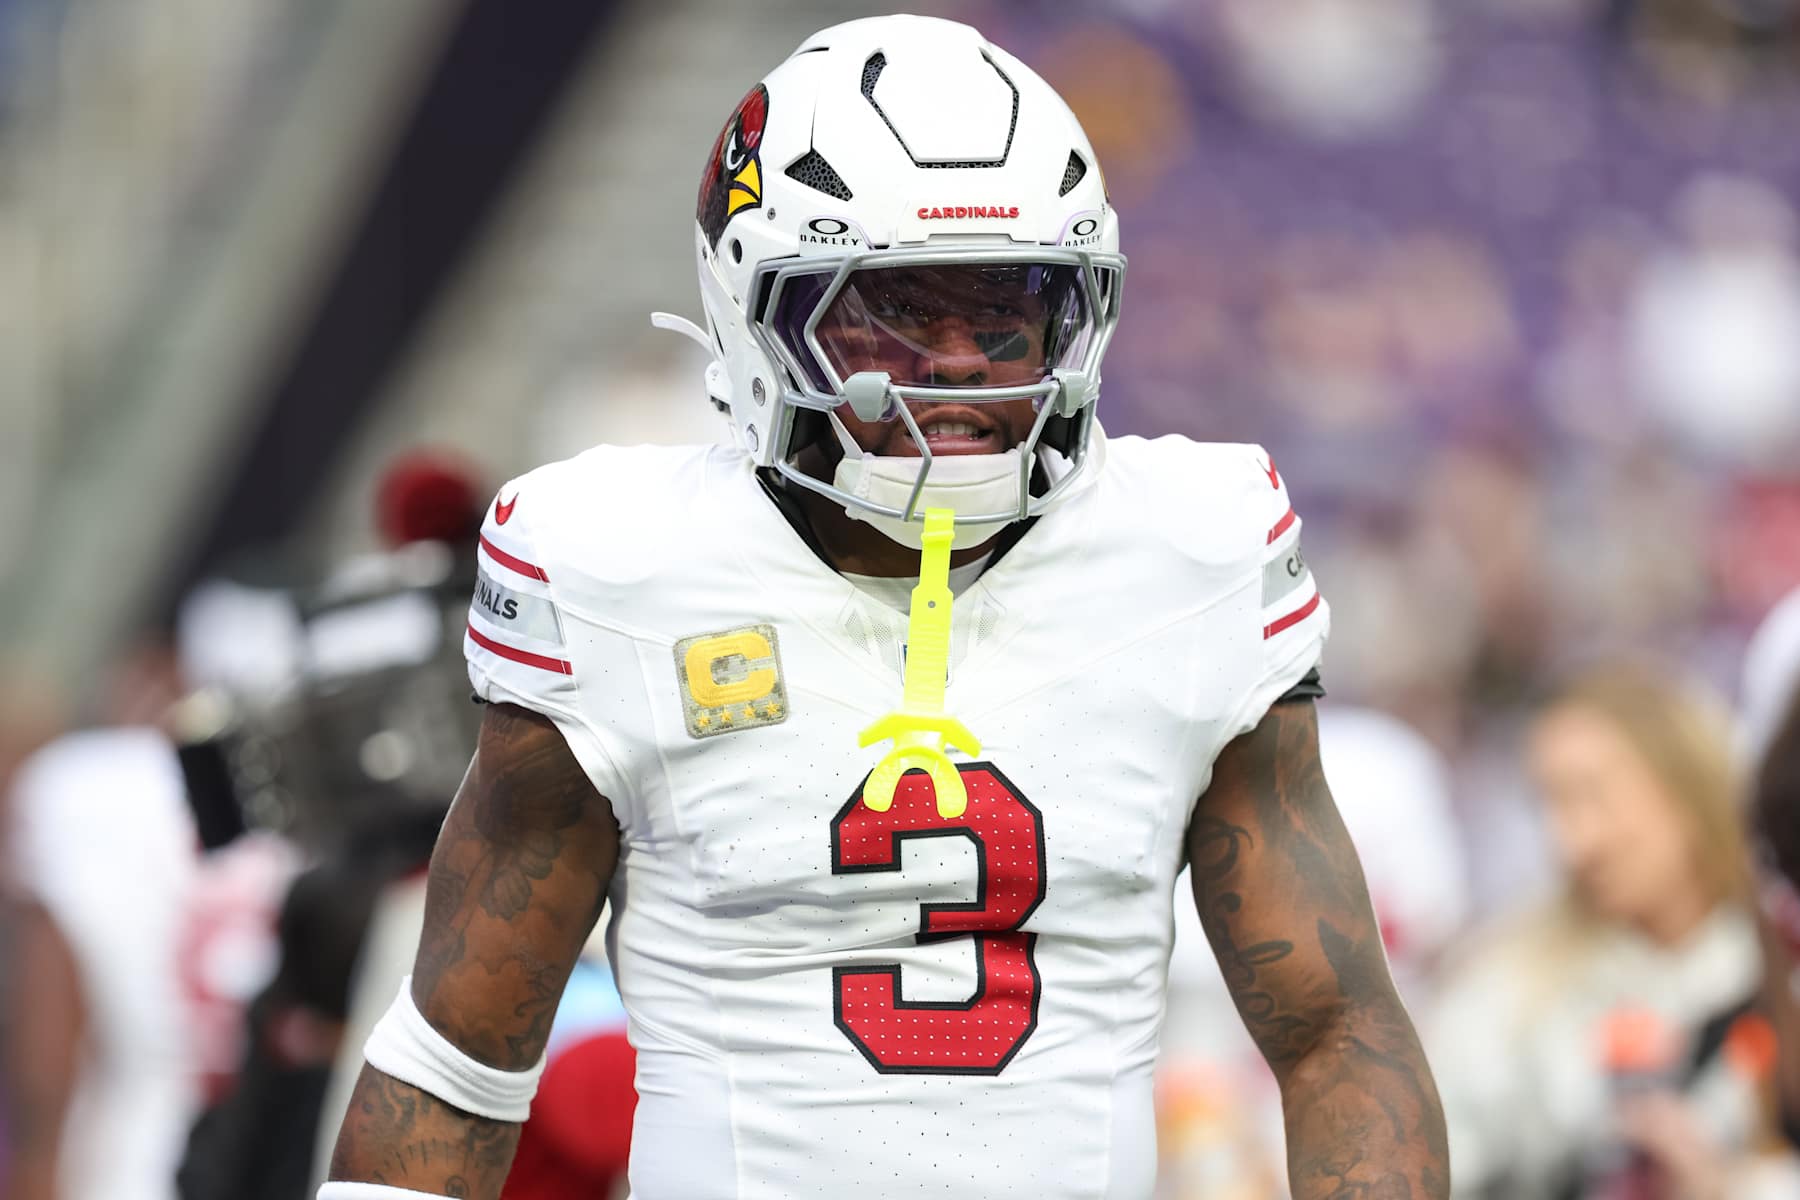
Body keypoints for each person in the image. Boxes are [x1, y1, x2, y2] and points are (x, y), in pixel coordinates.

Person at [323, 15, 1446, 1200]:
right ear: (753, 311)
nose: (960, 361)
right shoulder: (616, 572)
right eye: (899, 310)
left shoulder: (1191, 551)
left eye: (1010, 305)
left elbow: (1335, 1031)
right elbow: (460, 1055)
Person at [1428, 664, 1765, 1198]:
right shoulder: (1513, 985)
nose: (1573, 841)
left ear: (1687, 784)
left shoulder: (1775, 975)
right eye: (1550, 804)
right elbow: (1433, 1155)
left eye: (1594, 795)